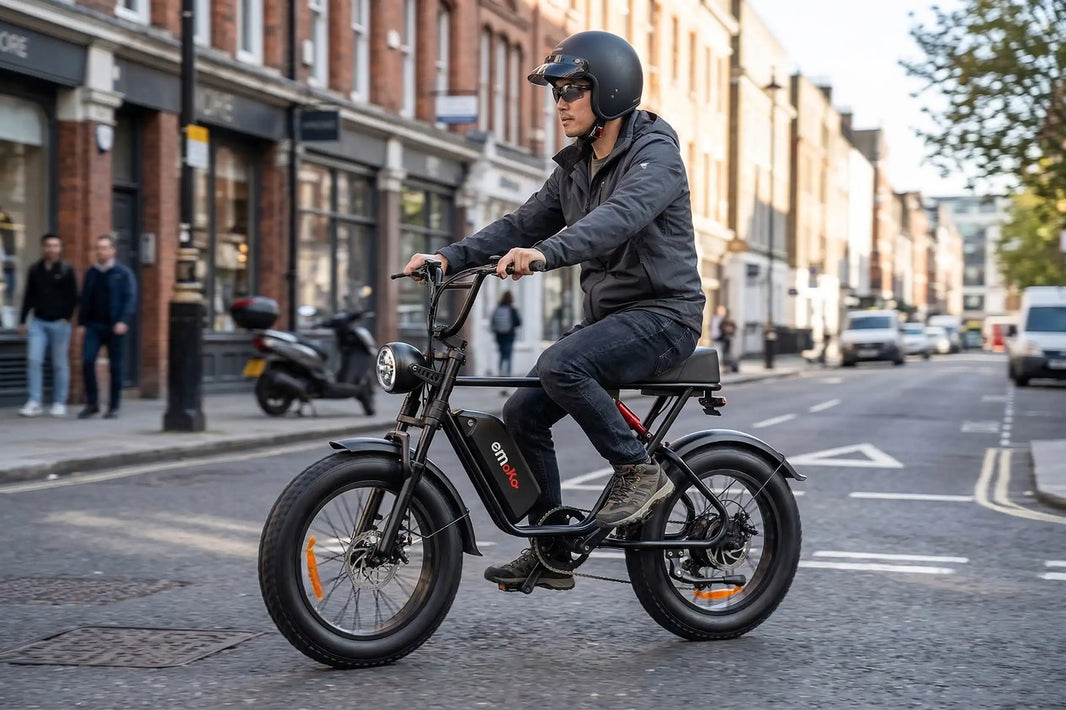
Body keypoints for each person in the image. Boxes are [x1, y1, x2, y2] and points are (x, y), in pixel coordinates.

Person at [403, 31, 704, 591]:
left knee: (562, 365)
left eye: (573, 90)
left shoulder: (655, 153)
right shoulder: (575, 166)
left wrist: (548, 254)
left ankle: (638, 470)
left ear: (610, 93)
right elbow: (521, 223)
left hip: (666, 315)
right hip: (610, 322)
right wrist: (448, 257)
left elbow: (619, 217)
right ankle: (554, 548)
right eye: (556, 91)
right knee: (522, 414)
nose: (560, 102)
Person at [17, 233, 78, 417]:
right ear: (43, 248)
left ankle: (60, 402)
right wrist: (22, 320)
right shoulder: (35, 270)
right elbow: (28, 296)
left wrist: (66, 318)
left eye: (55, 246)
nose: (51, 249)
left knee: (60, 364)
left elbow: (74, 297)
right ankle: (35, 401)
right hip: (39, 323)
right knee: (34, 360)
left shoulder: (67, 270)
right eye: (48, 245)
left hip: (60, 324)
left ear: (60, 249)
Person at [77, 234, 137, 419]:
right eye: (98, 248)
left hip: (114, 325)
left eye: (104, 248)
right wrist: (81, 322)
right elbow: (85, 299)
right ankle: (93, 403)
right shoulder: (92, 273)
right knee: (87, 361)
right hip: (94, 325)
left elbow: (130, 298)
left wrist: (123, 320)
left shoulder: (123, 273)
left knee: (115, 366)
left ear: (113, 250)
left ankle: (114, 406)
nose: (100, 252)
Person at [491, 291, 522, 376]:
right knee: (508, 354)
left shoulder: (498, 308)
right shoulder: (512, 309)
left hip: (499, 334)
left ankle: (500, 371)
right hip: (509, 334)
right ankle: (507, 373)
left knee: (502, 354)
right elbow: (518, 323)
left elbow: (492, 322)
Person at [711, 304, 738, 373]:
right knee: (723, 354)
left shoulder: (730, 321)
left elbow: (734, 328)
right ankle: (725, 367)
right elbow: (720, 328)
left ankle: (728, 367)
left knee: (728, 354)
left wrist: (731, 331)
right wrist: (725, 330)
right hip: (723, 339)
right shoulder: (721, 320)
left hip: (728, 339)